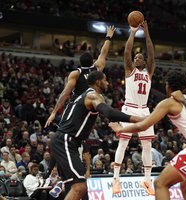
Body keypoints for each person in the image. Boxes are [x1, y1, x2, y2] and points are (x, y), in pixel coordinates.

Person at [109, 70, 186, 200]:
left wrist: (120, 129)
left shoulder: (168, 103)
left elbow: (143, 125)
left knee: (160, 183)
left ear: (167, 86)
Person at [50, 70, 142, 200]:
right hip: (66, 140)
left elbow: (108, 116)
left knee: (74, 188)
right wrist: (138, 119)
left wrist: (119, 125)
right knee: (80, 187)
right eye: (105, 80)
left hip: (66, 140)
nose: (108, 83)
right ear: (98, 82)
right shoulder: (92, 96)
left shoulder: (85, 96)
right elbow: (108, 112)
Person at [112, 20, 156, 195]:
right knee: (123, 143)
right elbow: (127, 51)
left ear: (144, 62)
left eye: (140, 57)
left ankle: (147, 180)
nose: (137, 58)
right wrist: (132, 32)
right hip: (129, 108)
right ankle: (116, 179)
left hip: (144, 110)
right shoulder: (130, 70)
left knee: (147, 146)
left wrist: (146, 33)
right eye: (136, 57)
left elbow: (152, 53)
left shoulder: (148, 71)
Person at [45, 26, 116, 128]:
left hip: (78, 106)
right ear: (92, 61)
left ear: (80, 63)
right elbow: (103, 53)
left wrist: (54, 112)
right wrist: (108, 37)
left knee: (66, 131)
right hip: (91, 107)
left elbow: (65, 94)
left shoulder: (76, 73)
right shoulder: (97, 68)